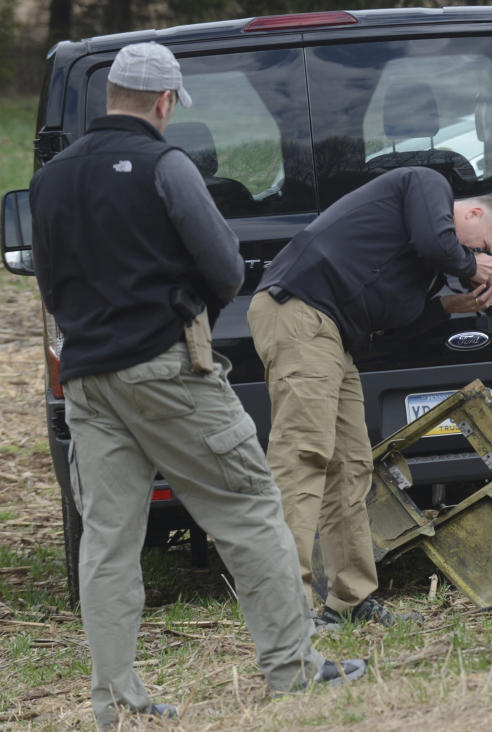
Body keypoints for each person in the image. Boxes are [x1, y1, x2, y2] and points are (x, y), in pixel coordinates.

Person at [28, 42, 365, 730]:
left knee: (109, 541)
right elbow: (223, 265)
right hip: (167, 368)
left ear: (110, 94)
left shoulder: (51, 178)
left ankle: (115, 699)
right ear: (163, 103)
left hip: (90, 380)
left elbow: (48, 278)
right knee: (250, 509)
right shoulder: (165, 165)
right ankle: (294, 671)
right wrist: (191, 323)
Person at [247, 166, 492, 628]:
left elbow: (391, 332)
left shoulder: (424, 266)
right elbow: (437, 242)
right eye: (489, 250)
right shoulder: (428, 185)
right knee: (303, 456)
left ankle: (350, 599)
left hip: (335, 336)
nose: (484, 265)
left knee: (351, 465)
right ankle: (287, 610)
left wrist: (453, 304)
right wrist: (471, 265)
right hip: (300, 313)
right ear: (471, 213)